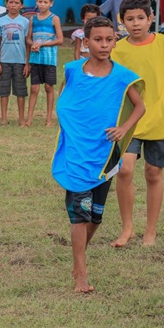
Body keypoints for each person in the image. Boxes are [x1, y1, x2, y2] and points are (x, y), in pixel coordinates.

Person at [52, 16, 146, 292]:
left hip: (105, 155)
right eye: (97, 39)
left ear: (115, 41)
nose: (104, 45)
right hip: (77, 154)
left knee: (96, 217)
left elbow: (140, 107)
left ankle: (78, 257)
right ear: (85, 42)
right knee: (80, 215)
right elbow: (65, 100)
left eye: (109, 39)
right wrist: (70, 125)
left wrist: (123, 128)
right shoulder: (72, 70)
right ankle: (81, 274)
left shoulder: (122, 76)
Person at [109, 0, 164, 248]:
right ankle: (127, 228)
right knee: (124, 169)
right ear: (122, 22)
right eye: (130, 19)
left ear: (150, 18)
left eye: (141, 18)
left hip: (160, 116)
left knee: (153, 173)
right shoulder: (117, 50)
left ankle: (150, 231)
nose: (136, 23)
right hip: (129, 120)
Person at [26, 0, 63, 127]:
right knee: (34, 88)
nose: (42, 4)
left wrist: (43, 44)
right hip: (35, 59)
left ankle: (49, 119)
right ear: (36, 2)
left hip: (49, 59)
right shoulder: (32, 19)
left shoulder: (55, 19)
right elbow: (28, 39)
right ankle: (29, 119)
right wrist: (33, 44)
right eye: (40, 1)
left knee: (49, 87)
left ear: (51, 3)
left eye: (45, 2)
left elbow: (60, 40)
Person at [0, 0, 30, 126]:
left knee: (20, 91)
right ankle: (4, 118)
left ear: (22, 5)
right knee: (4, 91)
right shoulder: (0, 21)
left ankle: (21, 119)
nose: (13, 5)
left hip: (20, 61)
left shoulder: (25, 22)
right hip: (4, 61)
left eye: (17, 3)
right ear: (6, 4)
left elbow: (27, 43)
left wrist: (27, 63)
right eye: (11, 2)